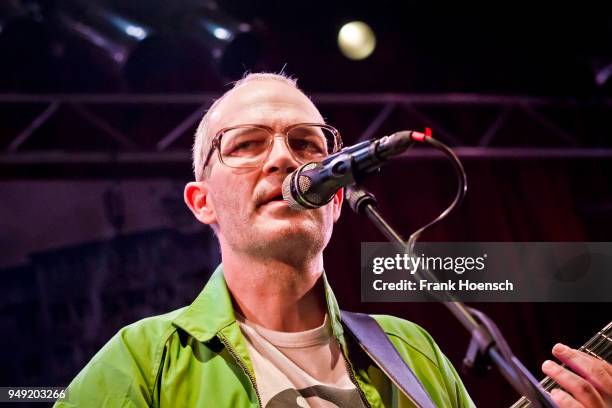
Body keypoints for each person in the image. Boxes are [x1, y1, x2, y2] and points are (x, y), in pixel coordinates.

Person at [55, 73, 611, 407]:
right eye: (246, 144)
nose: (283, 158)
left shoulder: (411, 352)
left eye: (306, 143)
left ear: (338, 194)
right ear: (202, 203)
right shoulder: (142, 360)